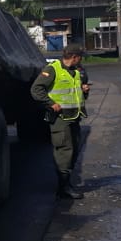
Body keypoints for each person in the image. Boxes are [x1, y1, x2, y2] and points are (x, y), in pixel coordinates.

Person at [30, 43, 90, 200]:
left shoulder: (77, 71)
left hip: (74, 117)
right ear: (74, 57)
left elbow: (77, 92)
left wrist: (85, 91)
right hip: (60, 119)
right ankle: (63, 188)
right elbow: (36, 89)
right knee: (64, 151)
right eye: (80, 57)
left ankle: (66, 183)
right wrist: (50, 104)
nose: (81, 60)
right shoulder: (53, 69)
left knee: (74, 150)